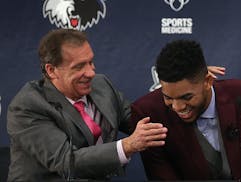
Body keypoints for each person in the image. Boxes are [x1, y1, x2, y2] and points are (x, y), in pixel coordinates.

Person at [6, 29, 169, 181]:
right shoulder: (28, 106)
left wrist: (176, 103)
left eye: (90, 62)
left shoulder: (101, 85)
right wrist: (127, 145)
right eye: (79, 66)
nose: (91, 73)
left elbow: (139, 119)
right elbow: (66, 162)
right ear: (51, 70)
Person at [130, 39, 241, 180]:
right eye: (168, 97)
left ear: (208, 81)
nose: (177, 107)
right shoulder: (150, 113)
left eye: (187, 97)